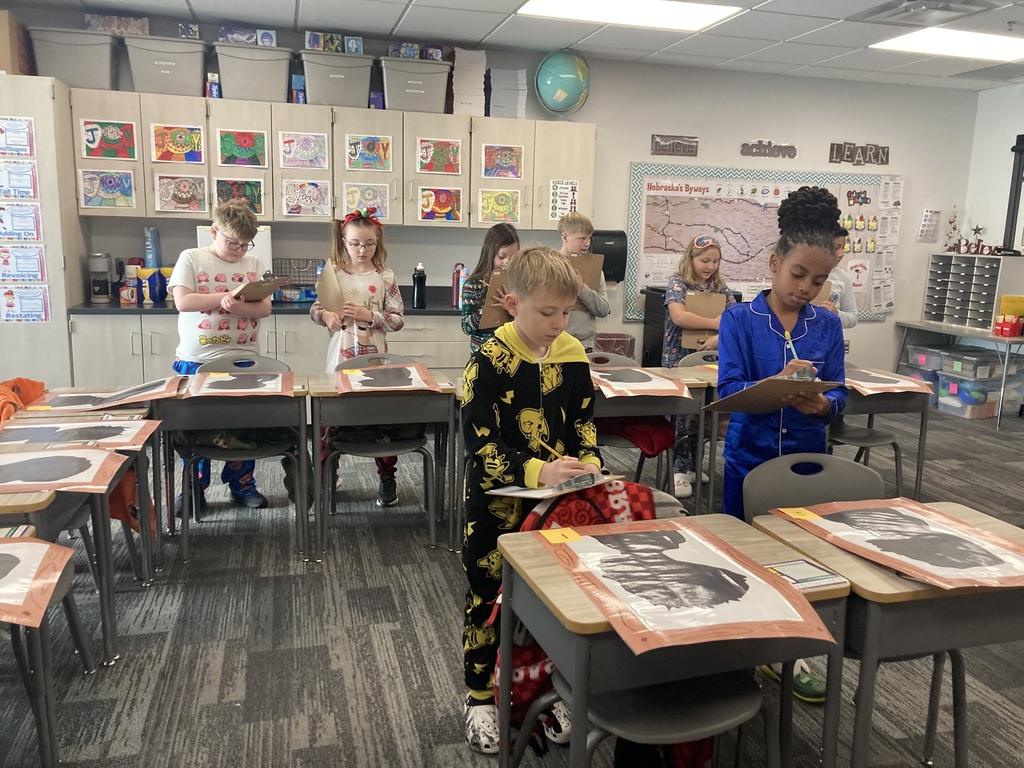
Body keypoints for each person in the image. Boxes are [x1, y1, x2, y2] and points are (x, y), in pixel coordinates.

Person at [461, 246, 602, 754]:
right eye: (547, 312)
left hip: (555, 510)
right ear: (512, 302)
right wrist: (539, 469)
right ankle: (480, 698)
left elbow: (584, 421)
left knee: (560, 601)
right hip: (496, 510)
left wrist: (589, 463)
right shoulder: (488, 362)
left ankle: (550, 691)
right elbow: (480, 447)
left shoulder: (572, 354)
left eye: (566, 312)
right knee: (488, 600)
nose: (558, 323)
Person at [717, 186, 848, 705]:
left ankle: (792, 654)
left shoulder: (829, 324)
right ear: (774, 263)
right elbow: (728, 391)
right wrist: (775, 387)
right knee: (743, 561)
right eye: (798, 275)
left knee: (804, 563)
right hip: (748, 461)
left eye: (819, 280)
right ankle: (742, 652)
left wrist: (824, 405)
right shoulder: (739, 320)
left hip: (807, 464)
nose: (807, 289)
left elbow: (839, 389)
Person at [168, 199, 272, 510]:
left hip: (243, 358)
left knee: (243, 426)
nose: (239, 251)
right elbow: (183, 302)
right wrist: (224, 298)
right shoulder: (191, 258)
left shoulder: (253, 264)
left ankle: (242, 486)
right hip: (197, 360)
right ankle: (193, 488)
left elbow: (264, 307)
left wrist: (238, 306)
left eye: (245, 244)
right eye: (232, 243)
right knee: (195, 427)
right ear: (214, 232)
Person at [310, 207, 405, 507]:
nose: (362, 250)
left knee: (381, 419)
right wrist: (325, 315)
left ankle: (387, 478)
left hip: (376, 360)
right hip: (339, 357)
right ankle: (328, 477)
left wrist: (369, 315)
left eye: (369, 244)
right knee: (331, 419)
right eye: (355, 244)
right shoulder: (334, 274)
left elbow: (398, 319)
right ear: (343, 241)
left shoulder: (385, 276)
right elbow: (315, 308)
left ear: (378, 242)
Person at [661, 234, 736, 499]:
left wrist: (719, 335)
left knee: (701, 417)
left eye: (715, 261)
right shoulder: (678, 283)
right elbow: (678, 316)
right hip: (678, 360)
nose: (710, 266)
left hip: (708, 360)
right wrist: (716, 323)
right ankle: (678, 469)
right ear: (691, 259)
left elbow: (734, 317)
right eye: (705, 260)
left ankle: (693, 466)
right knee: (682, 415)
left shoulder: (720, 287)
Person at [460, 222, 519, 352]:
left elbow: (528, 323)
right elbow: (466, 327)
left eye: (514, 257)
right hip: (482, 355)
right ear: (490, 253)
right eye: (502, 256)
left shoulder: (519, 284)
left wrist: (511, 308)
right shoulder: (473, 285)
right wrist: (485, 308)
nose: (507, 263)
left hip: (511, 353)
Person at [558, 212, 610, 352]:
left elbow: (604, 309)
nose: (587, 243)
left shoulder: (595, 269)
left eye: (589, 238)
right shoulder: (549, 266)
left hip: (585, 346)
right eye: (582, 238)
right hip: (555, 343)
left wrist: (582, 288)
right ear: (565, 237)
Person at [821, 226, 858, 329]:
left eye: (843, 248)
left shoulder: (843, 278)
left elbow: (853, 317)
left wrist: (836, 313)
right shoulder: (806, 275)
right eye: (836, 248)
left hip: (831, 340)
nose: (841, 254)